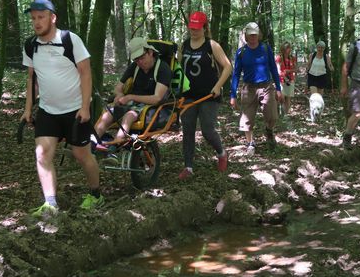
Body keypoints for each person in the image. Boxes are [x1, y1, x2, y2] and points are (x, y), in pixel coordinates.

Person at [21, 0, 103, 217]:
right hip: (48, 111)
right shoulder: (31, 45)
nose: (37, 22)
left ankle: (96, 193)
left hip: (75, 110)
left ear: (53, 18)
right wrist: (28, 108)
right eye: (33, 18)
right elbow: (31, 78)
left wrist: (85, 107)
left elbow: (86, 73)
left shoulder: (70, 40)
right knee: (42, 154)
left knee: (81, 155)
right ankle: (51, 204)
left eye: (41, 17)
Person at [178, 11, 233, 180]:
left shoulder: (212, 45)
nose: (193, 31)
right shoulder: (184, 45)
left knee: (207, 130)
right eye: (191, 28)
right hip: (188, 96)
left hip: (209, 95)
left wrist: (218, 86)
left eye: (197, 28)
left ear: (204, 27)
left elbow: (228, 66)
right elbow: (178, 69)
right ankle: (188, 167)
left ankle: (222, 153)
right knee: (187, 130)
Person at [93, 36, 172, 144]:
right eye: (136, 59)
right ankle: (91, 144)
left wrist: (131, 97)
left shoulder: (163, 68)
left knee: (129, 115)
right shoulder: (134, 67)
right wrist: (120, 94)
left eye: (142, 57)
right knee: (108, 114)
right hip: (131, 103)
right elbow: (117, 88)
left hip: (150, 107)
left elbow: (157, 98)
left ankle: (116, 143)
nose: (139, 62)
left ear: (150, 52)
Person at [230, 22, 283, 155]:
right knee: (247, 119)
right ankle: (250, 143)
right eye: (250, 35)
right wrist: (233, 95)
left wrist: (278, 87)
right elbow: (236, 73)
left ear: (258, 35)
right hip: (248, 88)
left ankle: (269, 130)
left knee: (272, 116)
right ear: (246, 36)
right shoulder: (241, 52)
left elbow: (273, 68)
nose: (253, 37)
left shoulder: (265, 48)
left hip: (266, 86)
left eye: (255, 34)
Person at [275, 41, 297, 115]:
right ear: (283, 49)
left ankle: (285, 114)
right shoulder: (279, 58)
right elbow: (277, 70)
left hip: (290, 80)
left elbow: (296, 69)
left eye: (289, 47)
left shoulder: (292, 58)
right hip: (281, 80)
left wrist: (289, 71)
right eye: (287, 48)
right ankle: (279, 111)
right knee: (281, 97)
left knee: (288, 98)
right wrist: (283, 74)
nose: (289, 49)